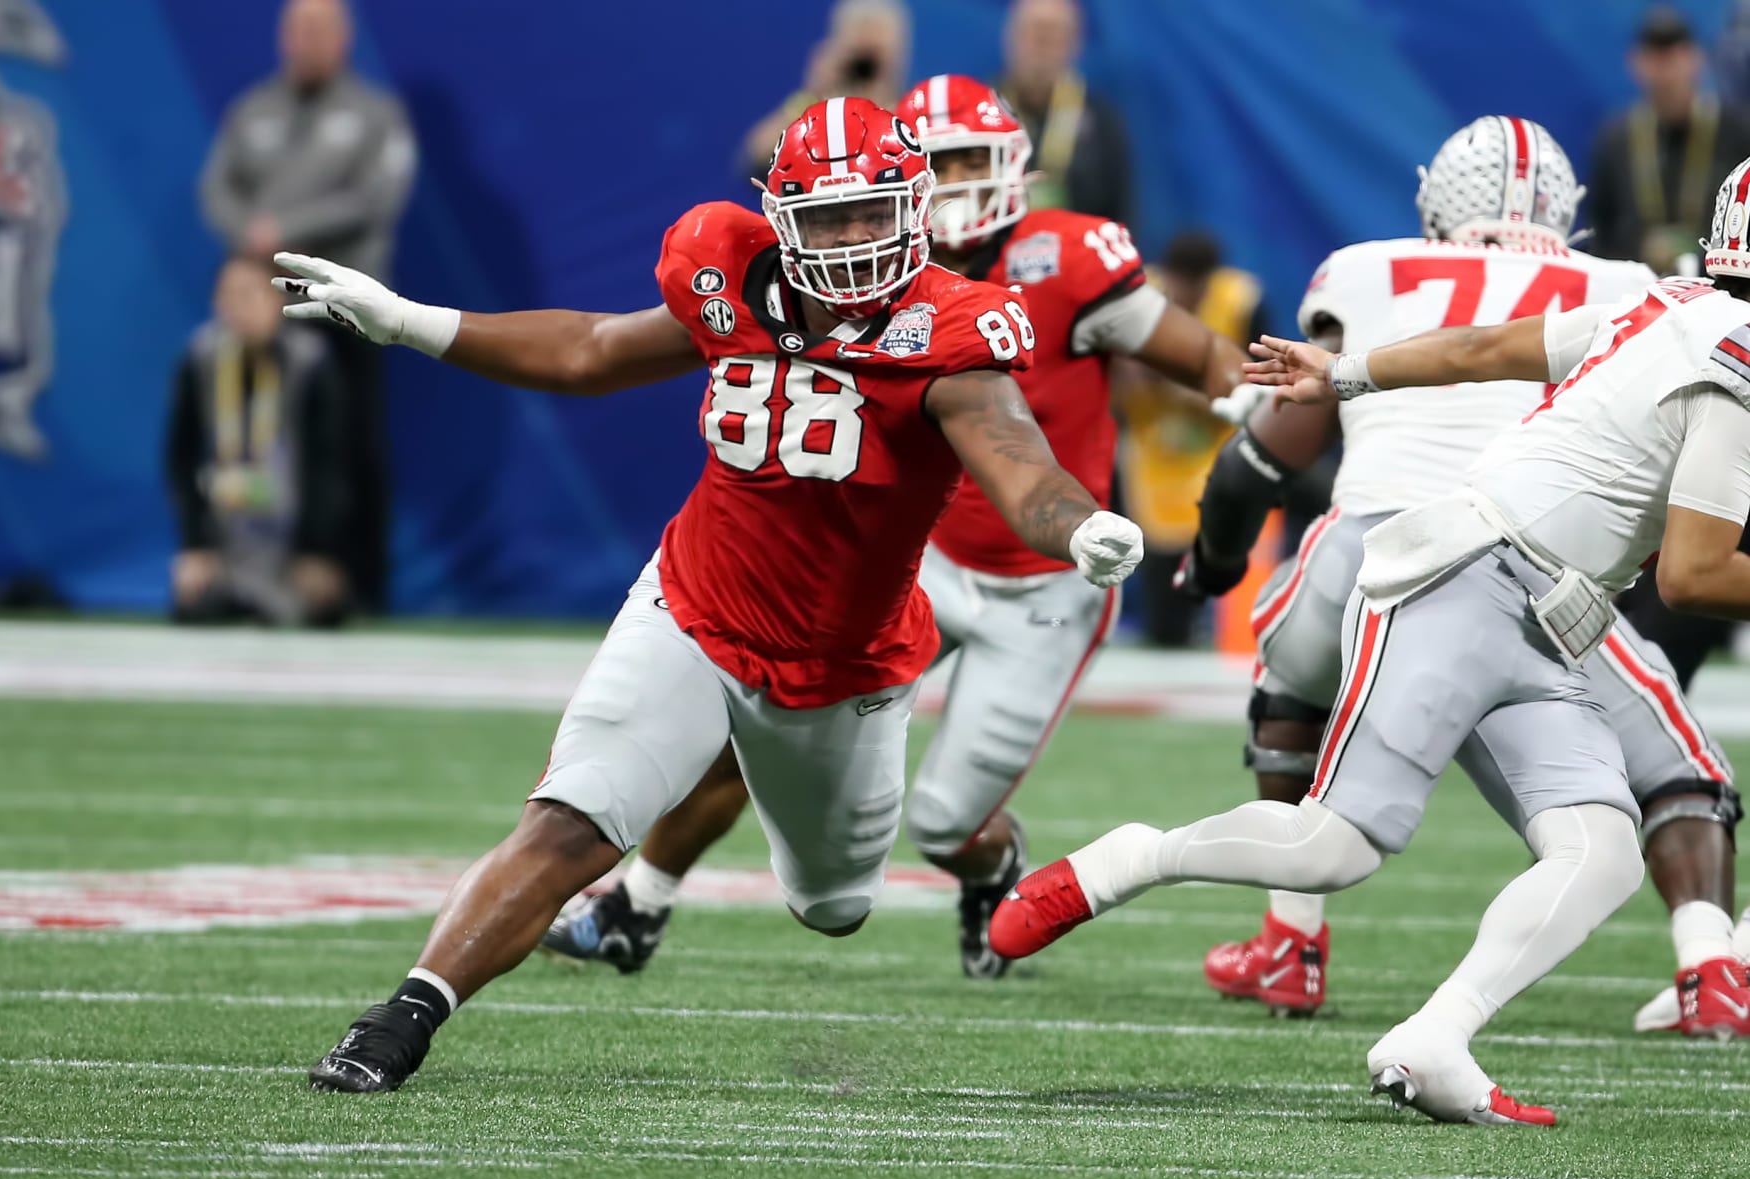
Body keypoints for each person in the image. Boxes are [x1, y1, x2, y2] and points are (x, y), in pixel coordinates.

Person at [280, 97, 1145, 1093]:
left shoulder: (948, 328)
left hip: (843, 668)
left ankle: (722, 850)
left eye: (872, 213)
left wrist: (1078, 525)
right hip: (695, 609)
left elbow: (1019, 465)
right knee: (571, 821)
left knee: (833, 904)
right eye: (828, 219)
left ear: (914, 207)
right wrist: (409, 322)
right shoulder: (724, 272)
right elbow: (590, 351)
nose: (855, 239)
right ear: (781, 219)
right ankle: (404, 1017)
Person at [994, 156, 1750, 1124]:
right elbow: (1693, 572)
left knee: (1601, 847)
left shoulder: (1669, 305)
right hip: (1462, 572)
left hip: (1549, 610)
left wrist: (1345, 370)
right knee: (1333, 846)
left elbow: (1486, 351)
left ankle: (1437, 1037)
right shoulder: (1726, 363)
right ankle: (1128, 859)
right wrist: (1337, 375)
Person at [538, 75, 1259, 979]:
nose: (958, 183)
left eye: (972, 162)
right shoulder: (841, 272)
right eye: (941, 160)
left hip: (1043, 579)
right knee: (761, 711)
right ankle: (637, 902)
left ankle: (989, 864)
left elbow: (1197, 356)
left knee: (946, 820)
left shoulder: (1067, 261)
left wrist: (1266, 427)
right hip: (925, 559)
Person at [1179, 118, 1741, 1038]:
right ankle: (1709, 967)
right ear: (1566, 211)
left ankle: (1290, 940)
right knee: (1674, 760)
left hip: (1363, 551)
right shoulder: (1638, 290)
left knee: (1294, 676)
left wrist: (1212, 562)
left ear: (1436, 199)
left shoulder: (1366, 269)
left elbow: (1265, 458)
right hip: (1530, 561)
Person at [201, 0, 416, 612]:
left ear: (343, 39)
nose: (308, 41)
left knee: (352, 440)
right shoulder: (254, 110)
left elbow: (376, 198)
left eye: (320, 29)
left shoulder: (376, 114)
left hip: (347, 305)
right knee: (254, 436)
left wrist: (284, 230)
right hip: (263, 305)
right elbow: (216, 187)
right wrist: (249, 232)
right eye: (298, 29)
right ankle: (251, 577)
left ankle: (361, 581)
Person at [165, 257, 354, 627]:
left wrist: (316, 550)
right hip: (225, 544)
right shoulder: (201, 357)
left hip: (292, 546)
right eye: (228, 295)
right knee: (194, 609)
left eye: (250, 295)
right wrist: (194, 547)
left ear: (276, 302)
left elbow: (331, 463)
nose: (239, 307)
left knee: (322, 609)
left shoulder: (310, 361)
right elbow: (180, 457)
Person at [1117, 232, 1269, 646]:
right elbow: (1114, 368)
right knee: (1149, 542)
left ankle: (1215, 621)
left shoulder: (1241, 301)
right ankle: (1155, 625)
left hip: (1217, 438)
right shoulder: (1134, 296)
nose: (1183, 294)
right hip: (1150, 439)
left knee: (1213, 532)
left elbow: (1255, 381)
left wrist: (1184, 386)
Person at [1590, 6, 1750, 272]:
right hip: (1633, 294)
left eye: (1673, 59)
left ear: (1696, 60)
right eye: (1656, 60)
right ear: (1636, 64)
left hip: (1719, 288)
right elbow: (1601, 234)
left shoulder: (1738, 132)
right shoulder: (1615, 140)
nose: (1665, 75)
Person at [737, 0, 911, 181]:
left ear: (900, 53)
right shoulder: (814, 113)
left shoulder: (915, 112)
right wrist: (812, 96)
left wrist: (880, 106)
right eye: (859, 56)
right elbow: (756, 157)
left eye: (874, 56)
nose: (865, 67)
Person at [996, 0, 1132, 223]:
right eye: (1035, 34)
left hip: (1079, 251)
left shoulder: (1102, 122)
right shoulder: (981, 113)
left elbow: (1122, 213)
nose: (1042, 48)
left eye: (1053, 37)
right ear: (1010, 38)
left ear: (1074, 45)